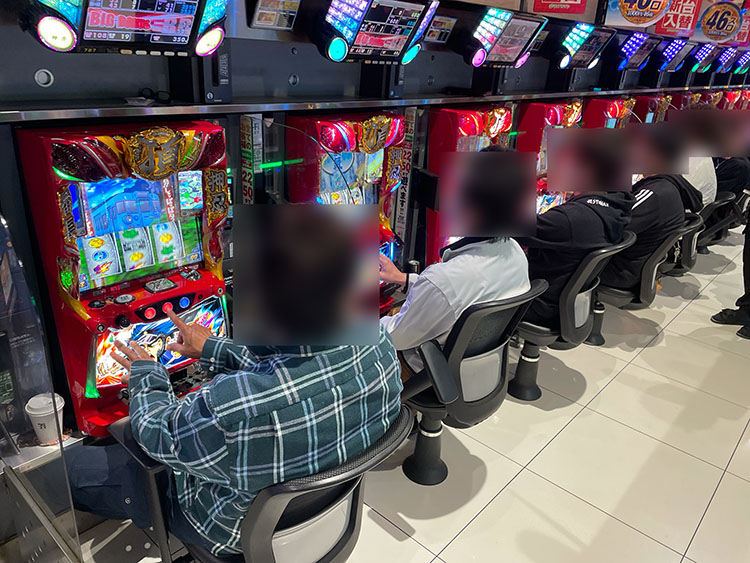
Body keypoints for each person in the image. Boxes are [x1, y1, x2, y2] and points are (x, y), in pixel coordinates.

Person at [64, 209, 404, 557]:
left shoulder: (232, 408)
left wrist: (147, 374)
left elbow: (156, 435)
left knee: (70, 471)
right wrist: (213, 348)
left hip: (229, 530)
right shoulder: (379, 343)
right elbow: (294, 367)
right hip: (321, 514)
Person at [379, 147, 531, 378]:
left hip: (425, 371)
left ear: (474, 211)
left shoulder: (446, 280)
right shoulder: (515, 253)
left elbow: (396, 338)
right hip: (477, 366)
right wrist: (403, 278)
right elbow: (457, 295)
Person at [600, 174, 686, 290]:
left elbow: (613, 227)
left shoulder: (654, 193)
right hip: (636, 264)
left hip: (621, 270)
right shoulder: (667, 185)